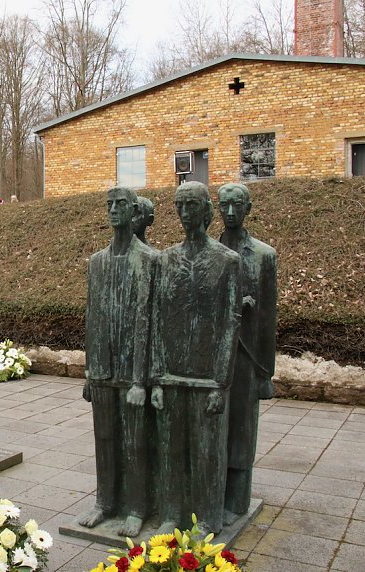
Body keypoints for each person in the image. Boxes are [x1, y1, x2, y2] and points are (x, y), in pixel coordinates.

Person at [150, 181, 241, 535]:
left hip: (207, 377)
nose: (185, 213)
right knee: (171, 452)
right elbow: (157, 320)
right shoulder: (166, 259)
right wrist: (157, 377)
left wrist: (221, 381)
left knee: (207, 455)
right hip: (172, 375)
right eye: (180, 206)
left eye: (192, 206)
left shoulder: (227, 261)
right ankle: (171, 514)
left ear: (206, 210)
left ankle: (208, 517)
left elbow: (231, 323)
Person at [79, 187, 159, 537]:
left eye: (120, 205)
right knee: (105, 439)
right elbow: (92, 317)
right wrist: (89, 372)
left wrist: (143, 380)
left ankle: (138, 507)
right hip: (102, 368)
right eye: (109, 205)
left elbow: (152, 324)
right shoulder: (97, 262)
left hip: (133, 371)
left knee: (136, 441)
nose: (113, 210)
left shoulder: (150, 259)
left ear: (133, 211)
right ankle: (104, 502)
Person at [218, 182, 277, 524]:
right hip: (213, 357)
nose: (229, 212)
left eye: (236, 205)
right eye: (224, 205)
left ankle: (237, 500)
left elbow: (268, 320)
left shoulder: (263, 255)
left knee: (241, 430)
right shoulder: (210, 250)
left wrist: (266, 374)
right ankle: (211, 491)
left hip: (246, 358)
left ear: (248, 208)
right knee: (214, 429)